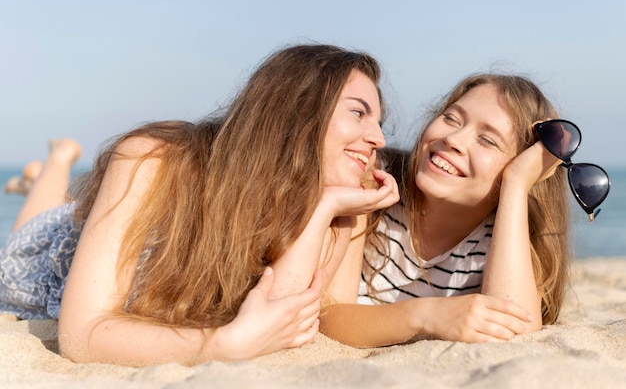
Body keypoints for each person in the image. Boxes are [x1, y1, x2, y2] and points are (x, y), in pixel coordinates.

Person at [0, 44, 399, 366]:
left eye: (378, 122)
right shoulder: (151, 157)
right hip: (51, 257)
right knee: (34, 223)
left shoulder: (344, 207)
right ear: (294, 112)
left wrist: (326, 207)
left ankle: (46, 177)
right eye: (357, 113)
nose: (377, 138)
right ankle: (57, 160)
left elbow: (285, 318)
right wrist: (220, 344)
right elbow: (80, 336)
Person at [319, 73, 571, 347]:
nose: (453, 139)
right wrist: (428, 315)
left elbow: (515, 333)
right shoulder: (374, 184)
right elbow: (327, 318)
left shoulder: (505, 237)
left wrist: (516, 184)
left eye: (487, 140)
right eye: (451, 119)